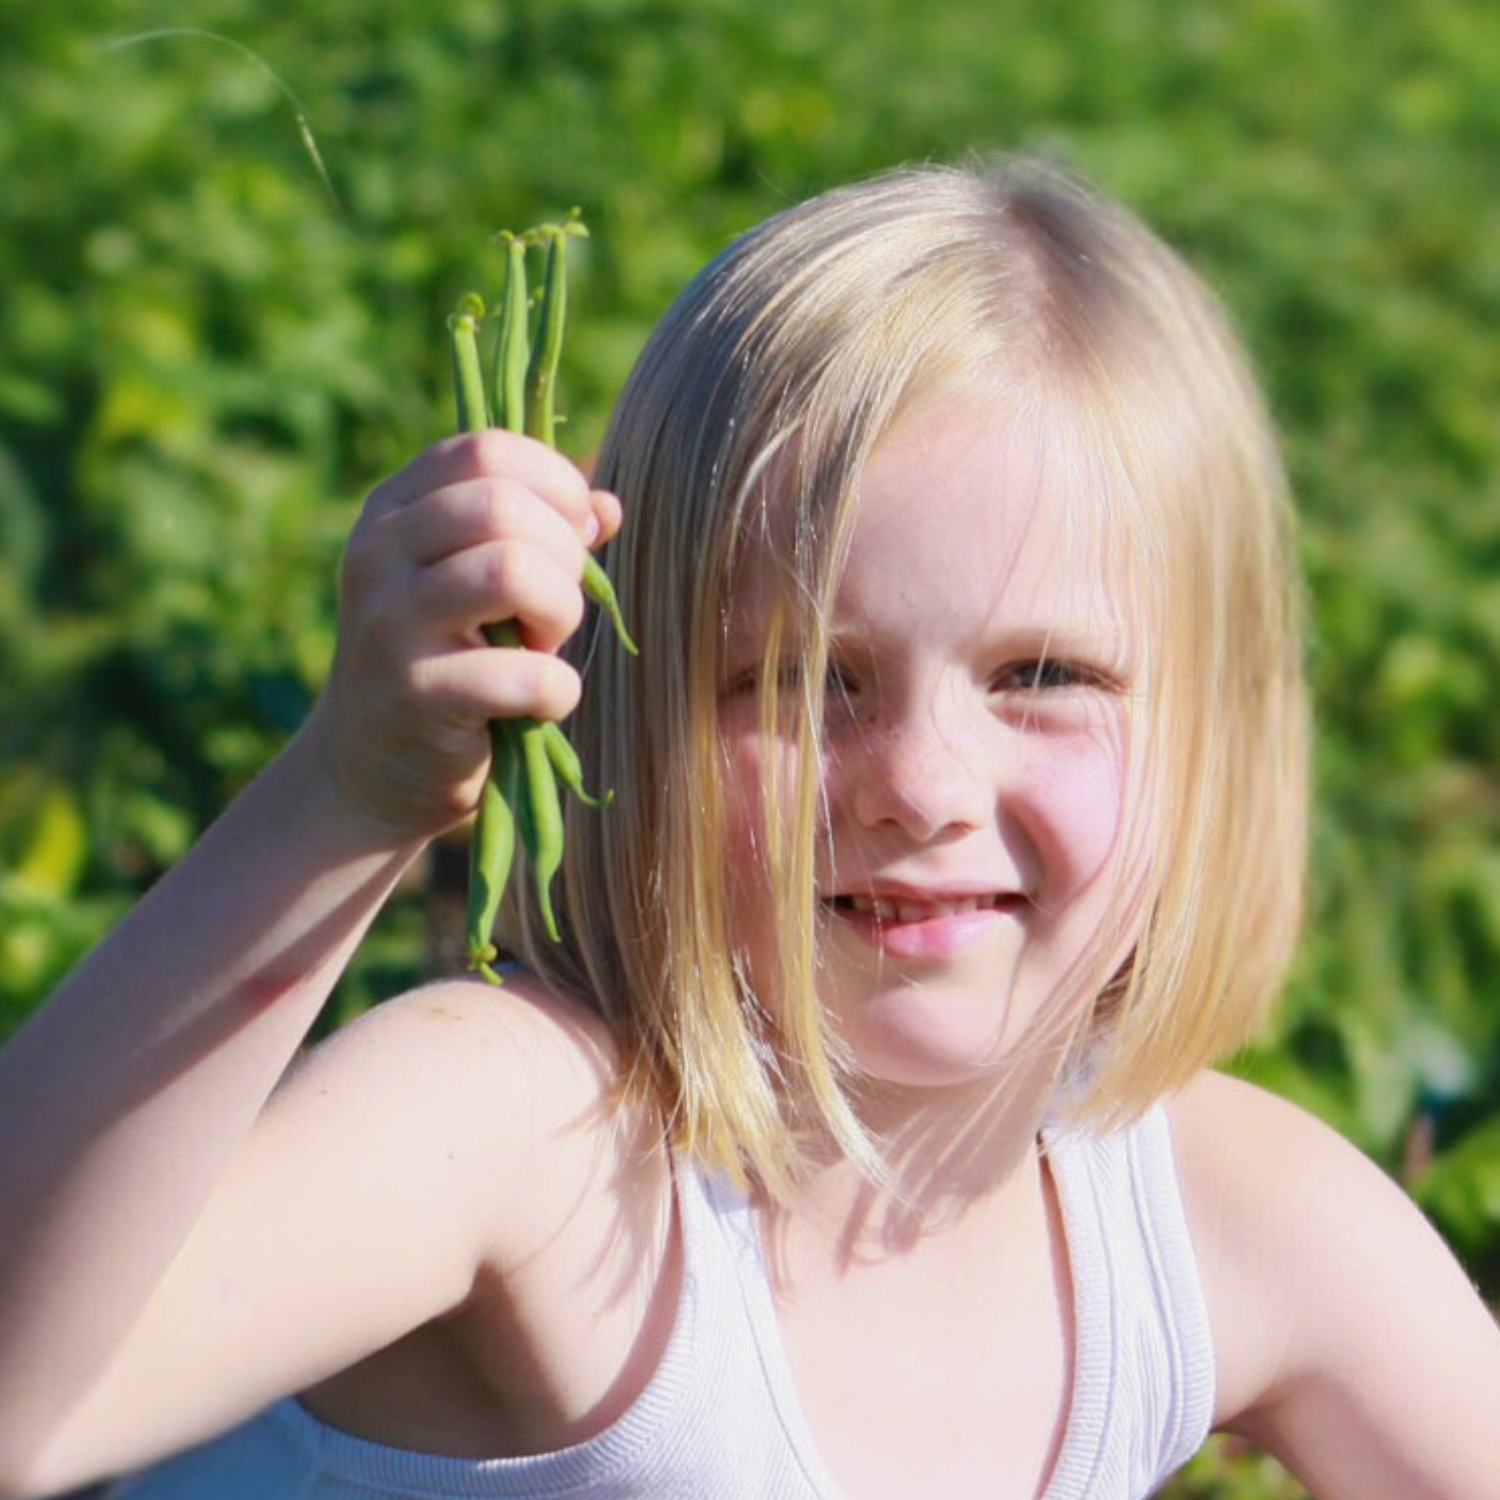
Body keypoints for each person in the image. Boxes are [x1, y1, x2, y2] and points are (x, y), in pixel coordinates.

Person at [0, 158, 1495, 1500]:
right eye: (797, 679)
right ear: (622, 701)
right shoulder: (532, 1130)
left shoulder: (1216, 1218)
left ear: (1214, 739)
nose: (918, 781)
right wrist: (346, 794)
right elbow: (24, 1411)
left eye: (1043, 678)